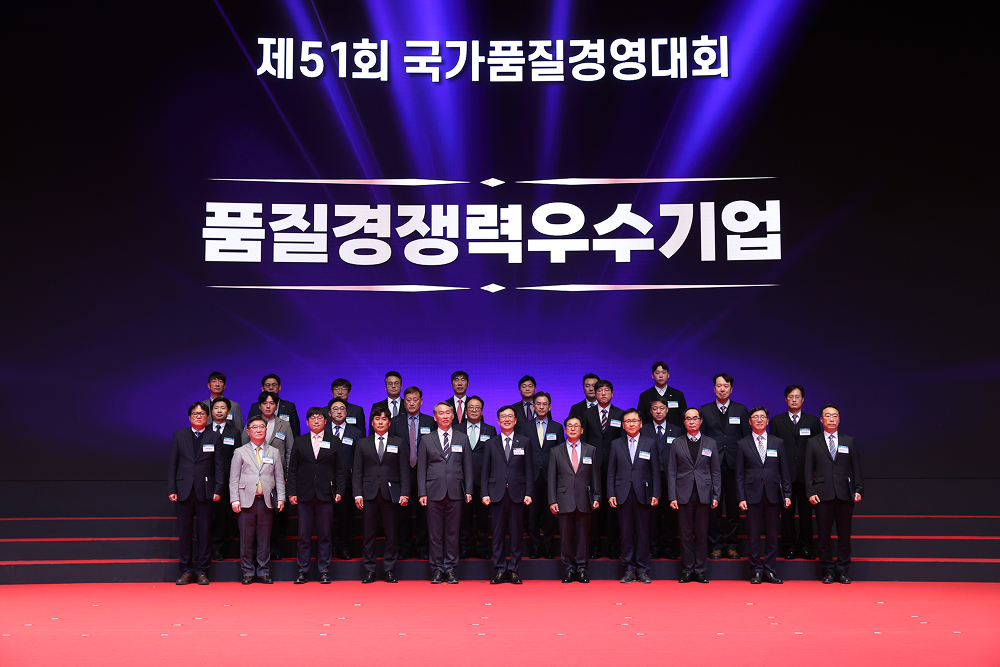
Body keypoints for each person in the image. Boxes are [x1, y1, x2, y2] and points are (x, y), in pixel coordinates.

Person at [287, 407, 346, 584]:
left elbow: (340, 469)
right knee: (303, 535)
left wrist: (340, 491)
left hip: (326, 494)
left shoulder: (334, 441)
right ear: (307, 422)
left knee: (325, 534)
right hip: (304, 494)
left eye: (319, 418)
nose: (316, 421)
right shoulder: (300, 441)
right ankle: (302, 570)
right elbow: (293, 469)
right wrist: (292, 492)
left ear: (325, 421)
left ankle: (324, 570)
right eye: (312, 418)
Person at [806, 404, 864, 584]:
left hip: (845, 494)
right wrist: (810, 491)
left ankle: (843, 570)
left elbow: (856, 467)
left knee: (844, 535)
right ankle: (828, 570)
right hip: (822, 495)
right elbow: (808, 470)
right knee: (823, 536)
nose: (831, 419)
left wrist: (858, 489)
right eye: (828, 416)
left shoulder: (849, 441)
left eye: (835, 416)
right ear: (821, 419)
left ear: (839, 419)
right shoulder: (813, 442)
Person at [167, 402, 223, 585]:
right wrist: (172, 489)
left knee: (205, 532)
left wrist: (218, 489)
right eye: (195, 413)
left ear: (207, 417)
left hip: (206, 491)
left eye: (202, 413)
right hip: (183, 490)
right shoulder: (179, 435)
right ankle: (186, 570)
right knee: (185, 532)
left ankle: (202, 571)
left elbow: (219, 466)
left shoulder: (214, 436)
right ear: (189, 416)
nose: (198, 416)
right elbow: (172, 464)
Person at [353, 406, 410, 583]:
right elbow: (357, 470)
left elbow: (404, 470)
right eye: (377, 419)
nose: (380, 422)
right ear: (372, 422)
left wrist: (405, 493)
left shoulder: (398, 442)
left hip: (391, 494)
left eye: (384, 419)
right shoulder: (363, 443)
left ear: (389, 423)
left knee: (391, 534)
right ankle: (370, 570)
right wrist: (357, 494)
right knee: (368, 535)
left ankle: (389, 570)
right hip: (368, 494)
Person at [418, 403, 473, 583]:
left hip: (456, 491)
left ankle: (450, 568)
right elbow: (421, 468)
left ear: (453, 415)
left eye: (448, 413)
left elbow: (468, 467)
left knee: (452, 533)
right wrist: (422, 492)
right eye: (441, 413)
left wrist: (469, 490)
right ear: (435, 417)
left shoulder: (462, 438)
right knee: (434, 534)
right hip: (433, 492)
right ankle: (436, 569)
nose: (445, 416)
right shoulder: (426, 439)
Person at [736, 407, 791, 584]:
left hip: (773, 495)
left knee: (772, 535)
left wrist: (787, 493)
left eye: (762, 417)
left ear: (767, 421)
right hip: (751, 495)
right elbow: (739, 474)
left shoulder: (778, 442)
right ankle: (756, 571)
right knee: (753, 535)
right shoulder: (742, 444)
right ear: (749, 421)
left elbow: (784, 470)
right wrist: (741, 497)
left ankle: (770, 570)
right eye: (755, 417)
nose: (759, 420)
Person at [699, 373, 750, 560]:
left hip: (735, 465)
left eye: (726, 386)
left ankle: (732, 545)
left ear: (731, 389)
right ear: (714, 389)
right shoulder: (705, 410)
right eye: (719, 386)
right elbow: (702, 440)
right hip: (712, 466)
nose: (722, 389)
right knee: (714, 508)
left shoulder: (741, 410)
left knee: (733, 508)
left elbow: (747, 439)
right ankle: (715, 545)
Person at [481, 405, 534, 584]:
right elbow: (485, 471)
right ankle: (500, 570)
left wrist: (529, 492)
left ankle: (514, 570)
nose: (507, 419)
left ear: (516, 420)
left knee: (516, 534)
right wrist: (484, 492)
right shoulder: (490, 443)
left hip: (518, 494)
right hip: (496, 494)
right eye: (503, 417)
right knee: (497, 534)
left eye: (510, 416)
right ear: (498, 421)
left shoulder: (524, 442)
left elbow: (529, 470)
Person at [230, 415, 286, 584]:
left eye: (262, 427)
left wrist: (281, 498)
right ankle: (247, 572)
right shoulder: (240, 451)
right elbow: (234, 478)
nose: (259, 430)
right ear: (248, 431)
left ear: (266, 430)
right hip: (246, 501)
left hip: (266, 502)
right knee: (246, 540)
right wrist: (234, 500)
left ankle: (263, 572)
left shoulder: (274, 452)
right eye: (255, 427)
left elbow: (279, 477)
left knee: (264, 539)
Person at [668, 408, 720, 583]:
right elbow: (671, 471)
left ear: (701, 421)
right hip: (683, 494)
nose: (692, 421)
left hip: (704, 494)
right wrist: (672, 496)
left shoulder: (711, 443)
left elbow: (716, 471)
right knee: (686, 534)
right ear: (684, 422)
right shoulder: (677, 443)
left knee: (702, 533)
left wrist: (716, 495)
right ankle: (687, 570)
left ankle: (700, 570)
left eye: (695, 418)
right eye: (688, 419)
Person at [607, 409, 660, 583]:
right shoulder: (616, 444)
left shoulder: (650, 443)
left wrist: (656, 493)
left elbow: (655, 471)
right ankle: (629, 569)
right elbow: (611, 472)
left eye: (634, 421)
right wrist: (611, 493)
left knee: (643, 533)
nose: (631, 424)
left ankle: (643, 570)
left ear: (641, 423)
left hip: (643, 493)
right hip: (622, 493)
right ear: (623, 425)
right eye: (627, 421)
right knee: (626, 533)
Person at [769, 385, 822, 559]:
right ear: (785, 399)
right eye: (790, 397)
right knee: (787, 514)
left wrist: (815, 472)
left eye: (797, 397)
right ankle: (789, 546)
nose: (794, 399)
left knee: (806, 514)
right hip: (784, 475)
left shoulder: (812, 421)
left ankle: (806, 546)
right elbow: (772, 448)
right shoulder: (776, 421)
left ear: (803, 399)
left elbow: (818, 448)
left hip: (807, 475)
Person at [242, 391, 294, 561]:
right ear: (260, 406)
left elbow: (289, 451)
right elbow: (243, 448)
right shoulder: (252, 424)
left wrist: (287, 474)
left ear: (276, 406)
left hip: (276, 477)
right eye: (265, 403)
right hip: (254, 478)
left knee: (275, 515)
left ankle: (274, 548)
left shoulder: (284, 425)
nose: (268, 406)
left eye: (272, 403)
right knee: (254, 517)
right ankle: (255, 550)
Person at [548, 416, 600, 583]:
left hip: (585, 499)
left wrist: (597, 496)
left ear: (582, 430)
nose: (572, 428)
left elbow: (595, 476)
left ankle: (582, 569)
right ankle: (569, 569)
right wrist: (552, 500)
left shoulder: (590, 450)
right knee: (566, 538)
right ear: (565, 430)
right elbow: (552, 478)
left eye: (576, 426)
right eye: (569, 426)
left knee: (583, 538)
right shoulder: (556, 451)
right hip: (563, 499)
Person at [389, 386, 435, 560]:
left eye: (415, 400)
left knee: (424, 513)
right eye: (408, 400)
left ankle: (423, 547)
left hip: (425, 473)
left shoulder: (430, 421)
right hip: (402, 473)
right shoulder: (395, 422)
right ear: (404, 402)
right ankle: (404, 547)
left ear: (421, 401)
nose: (412, 403)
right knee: (403, 513)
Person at [582, 379, 624, 558]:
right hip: (593, 467)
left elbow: (622, 441)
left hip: (614, 468)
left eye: (607, 390)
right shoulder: (587, 414)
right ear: (595, 394)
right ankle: (595, 546)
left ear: (612, 394)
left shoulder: (620, 414)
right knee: (594, 508)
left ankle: (613, 546)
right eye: (600, 391)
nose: (603, 393)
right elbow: (584, 441)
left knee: (613, 508)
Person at [521, 392, 564, 559]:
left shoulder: (557, 427)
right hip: (530, 476)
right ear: (533, 406)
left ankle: (548, 548)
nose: (541, 406)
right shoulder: (525, 427)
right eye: (538, 404)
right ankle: (535, 548)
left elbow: (561, 452)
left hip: (550, 476)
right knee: (532, 514)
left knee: (549, 514)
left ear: (550, 407)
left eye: (544, 404)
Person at [641, 397, 683, 559]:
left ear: (667, 410)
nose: (658, 411)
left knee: (671, 513)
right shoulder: (644, 429)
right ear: (650, 411)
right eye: (655, 408)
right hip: (650, 477)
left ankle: (670, 545)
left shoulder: (676, 430)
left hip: (671, 478)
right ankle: (654, 546)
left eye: (661, 408)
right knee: (653, 514)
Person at [457, 396, 495, 559]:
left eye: (477, 407)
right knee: (463, 518)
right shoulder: (456, 429)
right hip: (461, 480)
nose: (474, 410)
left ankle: (483, 549)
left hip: (482, 480)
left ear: (482, 411)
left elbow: (493, 455)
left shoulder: (490, 430)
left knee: (483, 518)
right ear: (466, 411)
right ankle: (463, 549)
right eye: (471, 407)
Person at [325, 398, 364, 560]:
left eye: (342, 409)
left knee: (346, 516)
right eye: (335, 409)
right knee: (327, 516)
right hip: (326, 480)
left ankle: (344, 547)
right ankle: (327, 548)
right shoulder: (323, 430)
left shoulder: (356, 433)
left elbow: (359, 460)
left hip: (347, 481)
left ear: (347, 412)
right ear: (329, 413)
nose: (339, 411)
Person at [208, 397, 242, 561]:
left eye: (223, 408)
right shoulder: (205, 430)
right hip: (207, 479)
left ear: (228, 412)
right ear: (211, 411)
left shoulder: (234, 433)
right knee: (205, 516)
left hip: (227, 480)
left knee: (222, 517)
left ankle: (218, 549)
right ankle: (203, 549)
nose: (219, 411)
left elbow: (237, 458)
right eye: (216, 408)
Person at [637, 361, 687, 429]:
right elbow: (642, 419)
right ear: (652, 375)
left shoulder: (678, 395)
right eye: (657, 373)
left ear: (668, 375)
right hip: (650, 433)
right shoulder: (644, 396)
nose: (661, 376)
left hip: (675, 433)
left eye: (663, 372)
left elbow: (683, 419)